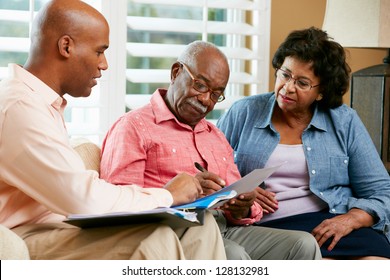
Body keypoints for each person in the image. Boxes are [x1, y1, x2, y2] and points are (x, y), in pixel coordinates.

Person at [0, 0, 226, 260]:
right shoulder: (18, 107)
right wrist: (167, 194)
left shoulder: (42, 103)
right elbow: (82, 198)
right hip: (23, 236)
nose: (104, 64)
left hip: (58, 225)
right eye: (99, 52)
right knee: (157, 239)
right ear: (66, 46)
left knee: (199, 225)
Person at [100, 40, 322, 260]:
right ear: (176, 72)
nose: (206, 100)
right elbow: (118, 205)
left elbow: (239, 200)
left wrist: (242, 207)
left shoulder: (214, 135)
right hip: (174, 232)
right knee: (233, 255)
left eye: (216, 94)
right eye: (200, 85)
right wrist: (180, 194)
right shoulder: (133, 127)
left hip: (224, 227)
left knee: (303, 244)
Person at [217, 27, 390, 259]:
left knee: (377, 261)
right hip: (262, 227)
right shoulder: (245, 111)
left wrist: (351, 219)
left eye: (302, 83)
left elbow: (381, 191)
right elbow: (207, 171)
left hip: (327, 222)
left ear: (322, 92)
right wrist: (239, 190)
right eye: (285, 74)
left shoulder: (344, 120)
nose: (288, 87)